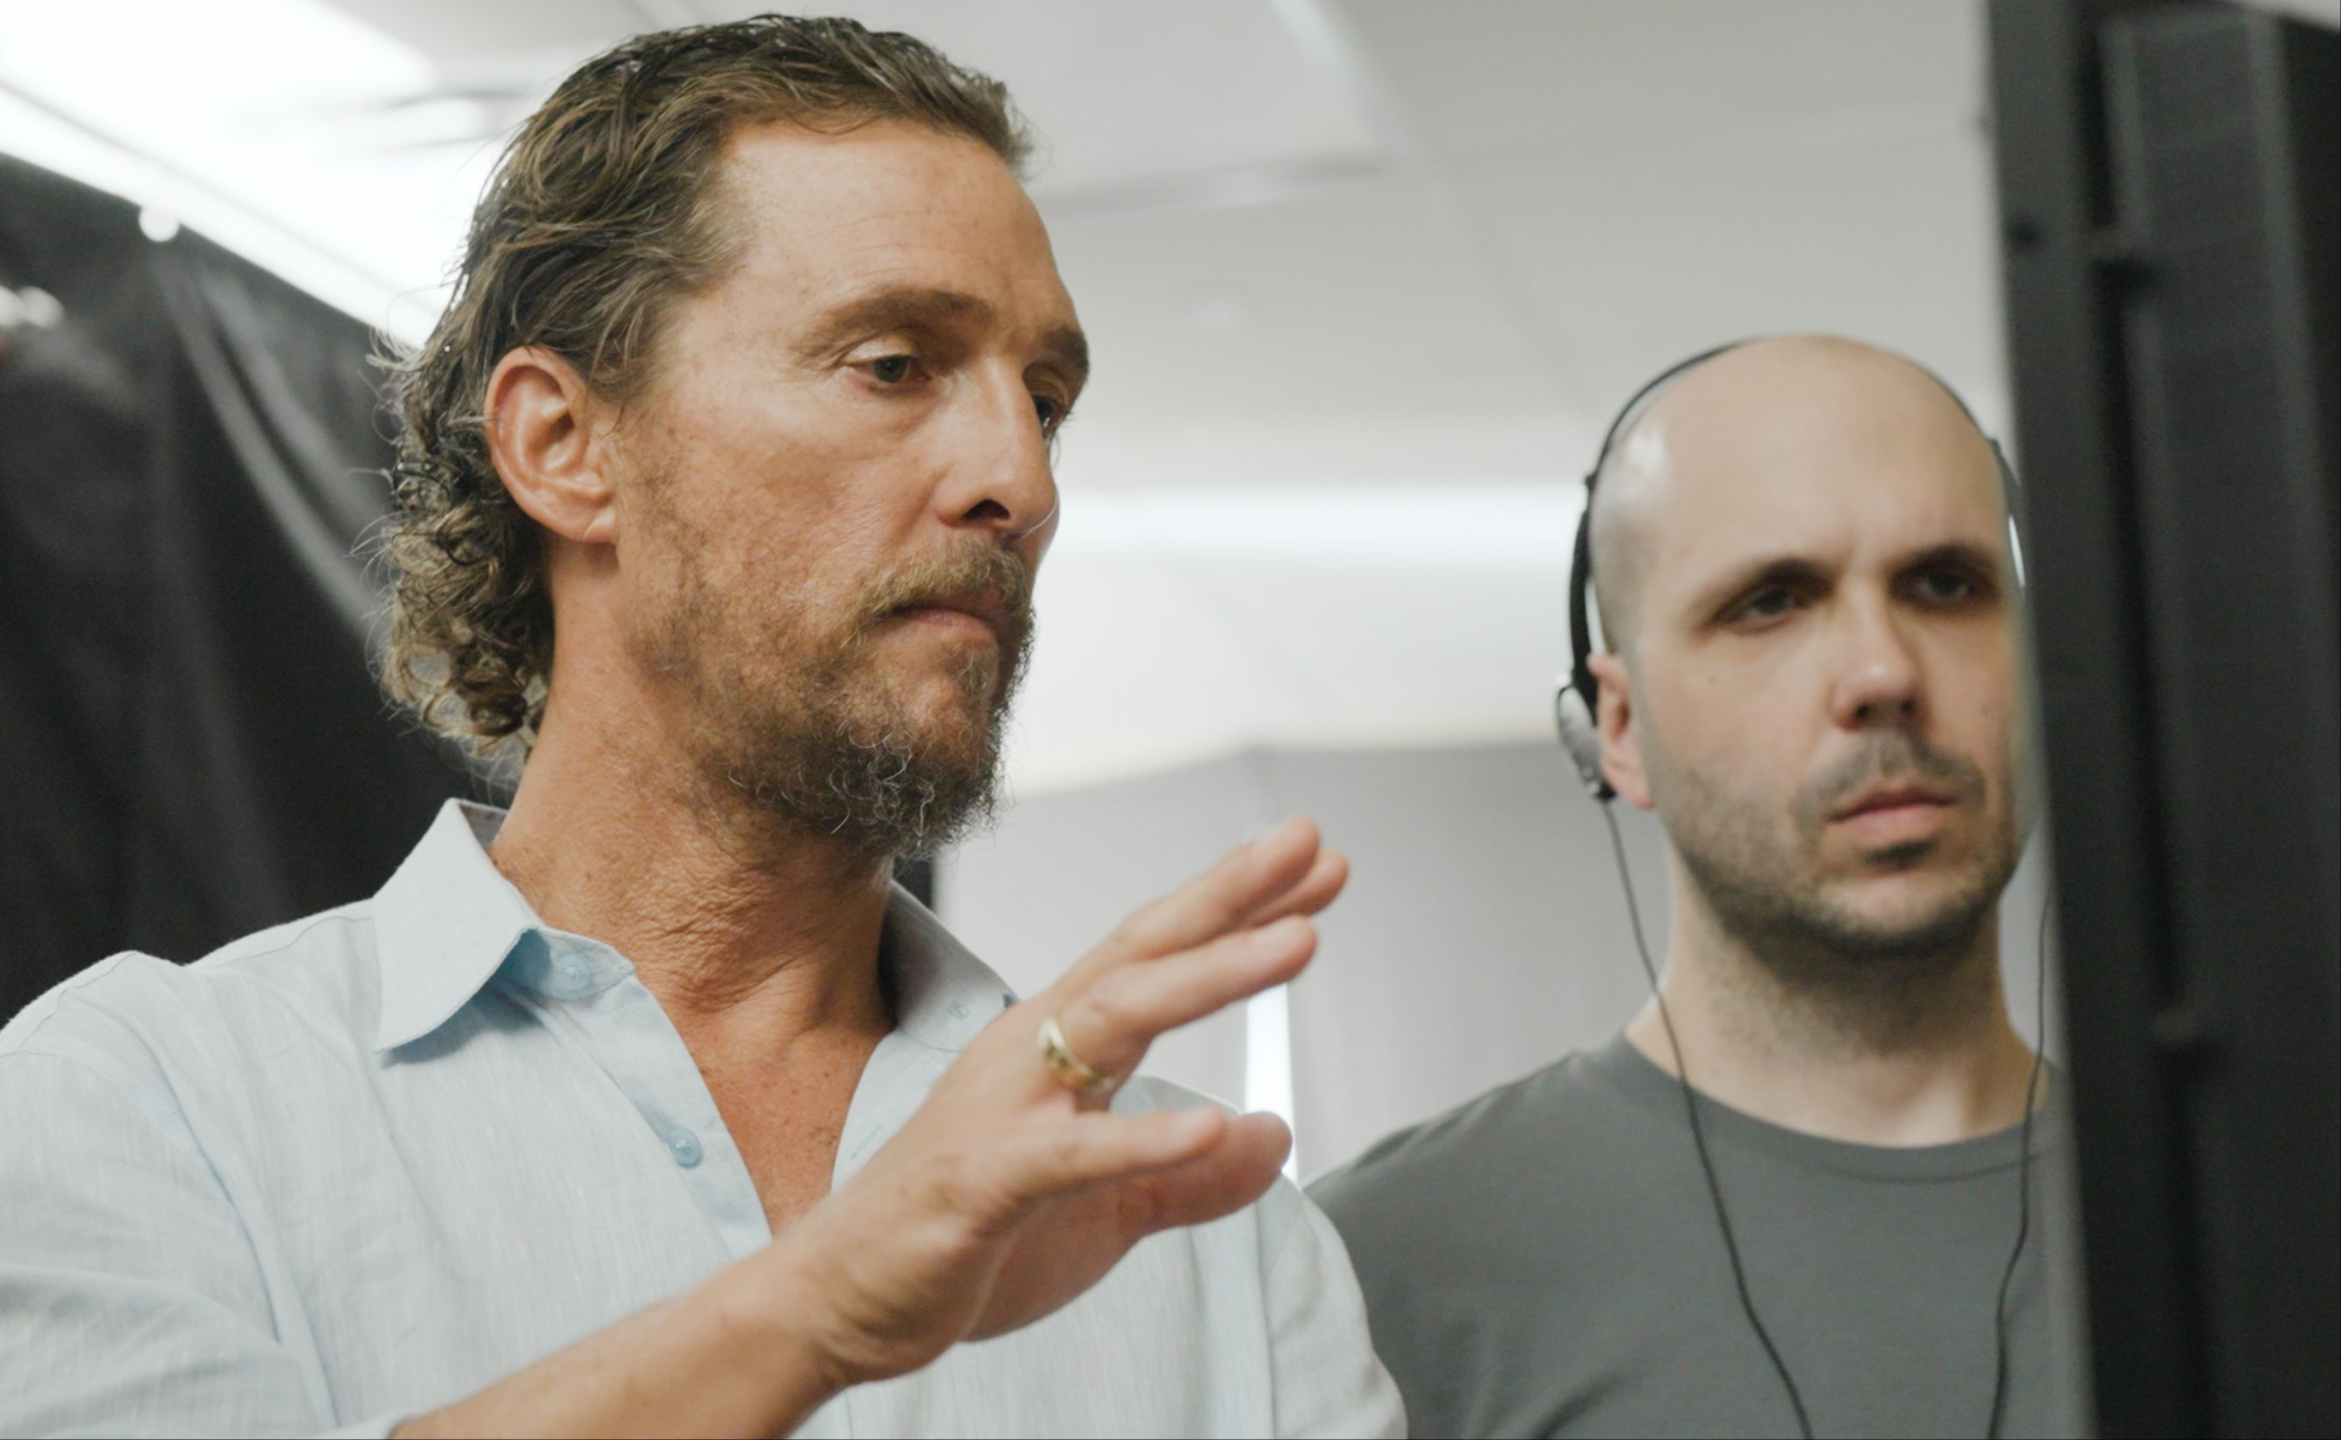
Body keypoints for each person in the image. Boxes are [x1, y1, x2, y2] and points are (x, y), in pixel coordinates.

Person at [0, 18, 1399, 1438]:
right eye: (894, 363)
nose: (1020, 481)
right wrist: (815, 1313)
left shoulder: (1210, 1233)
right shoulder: (147, 1105)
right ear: (564, 446)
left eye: (1044, 402)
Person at [1312, 336, 2077, 1438]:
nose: (1884, 673)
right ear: (1617, 731)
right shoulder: (1372, 1272)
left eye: (1946, 585)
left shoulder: (2266, 1205)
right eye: (1771, 603)